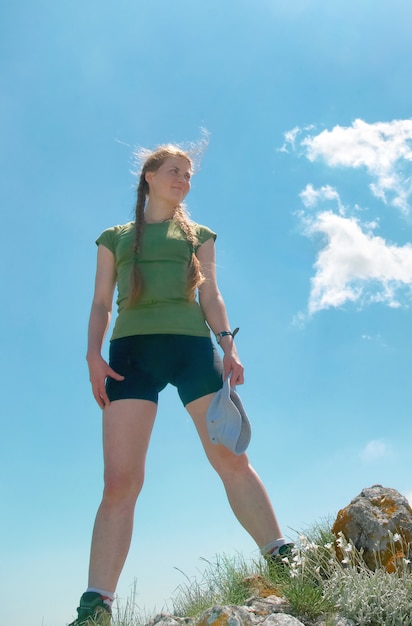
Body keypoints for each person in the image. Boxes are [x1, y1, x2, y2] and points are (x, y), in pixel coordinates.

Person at [69, 144, 291, 626]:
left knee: (231, 458)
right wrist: (92, 354)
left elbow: (210, 292)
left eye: (188, 175)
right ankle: (96, 606)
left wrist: (227, 344)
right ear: (149, 176)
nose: (184, 181)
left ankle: (282, 559)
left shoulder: (199, 236)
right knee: (121, 482)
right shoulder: (115, 237)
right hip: (131, 356)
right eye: (175, 172)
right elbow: (101, 304)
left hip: (192, 350)